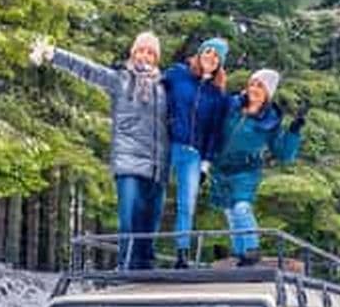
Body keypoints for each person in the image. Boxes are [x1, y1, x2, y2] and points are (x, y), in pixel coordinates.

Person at [29, 32, 168, 269]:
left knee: (149, 225)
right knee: (129, 219)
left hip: (157, 167)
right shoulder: (120, 80)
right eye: (141, 50)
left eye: (150, 52)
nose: (145, 56)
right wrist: (55, 55)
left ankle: (145, 272)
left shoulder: (165, 88)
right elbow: (88, 70)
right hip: (129, 161)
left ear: (156, 58)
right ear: (133, 53)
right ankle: (126, 268)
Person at [210, 68, 308, 265]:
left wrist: (294, 131)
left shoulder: (270, 121)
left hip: (246, 170)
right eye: (252, 83)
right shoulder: (232, 106)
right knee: (229, 211)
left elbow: (284, 154)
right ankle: (240, 253)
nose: (254, 88)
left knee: (241, 208)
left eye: (260, 86)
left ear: (267, 93)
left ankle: (252, 249)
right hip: (221, 169)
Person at [163, 38, 230, 268]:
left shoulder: (217, 95)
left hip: (193, 155)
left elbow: (214, 133)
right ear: (200, 53)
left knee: (186, 204)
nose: (211, 57)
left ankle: (181, 254)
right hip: (168, 145)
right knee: (155, 196)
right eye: (208, 51)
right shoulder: (178, 74)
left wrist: (206, 164)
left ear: (220, 64)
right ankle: (142, 251)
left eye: (216, 56)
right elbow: (153, 88)